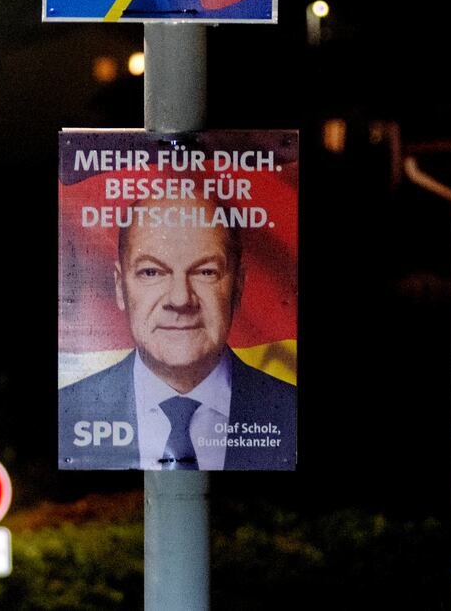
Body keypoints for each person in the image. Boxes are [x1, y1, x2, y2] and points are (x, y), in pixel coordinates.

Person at [58, 196, 296, 470]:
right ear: (119, 287)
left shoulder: (290, 414)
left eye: (206, 272)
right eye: (151, 272)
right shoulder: (68, 414)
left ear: (238, 286)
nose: (181, 299)